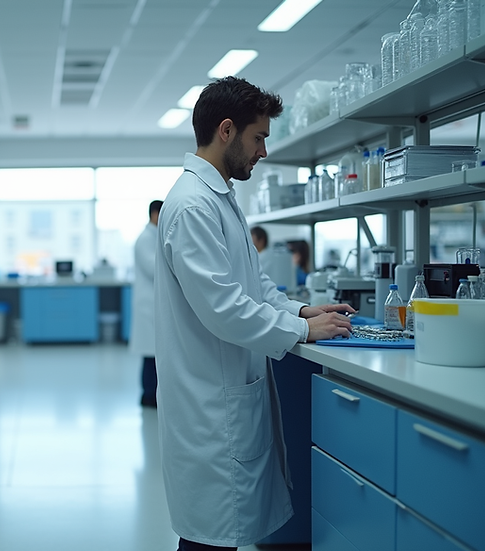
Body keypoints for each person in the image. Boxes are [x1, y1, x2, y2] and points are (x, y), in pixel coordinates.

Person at [153, 76, 355, 551]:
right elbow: (225, 309)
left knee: (217, 535)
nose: (263, 151)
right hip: (208, 407)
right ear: (227, 130)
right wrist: (301, 329)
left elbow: (252, 284)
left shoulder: (218, 197)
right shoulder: (193, 207)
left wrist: (301, 308)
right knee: (208, 539)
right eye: (258, 136)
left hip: (223, 395)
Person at [130, 200, 163, 408]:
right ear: (154, 214)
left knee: (155, 355)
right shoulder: (145, 239)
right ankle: (148, 395)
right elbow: (153, 268)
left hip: (153, 304)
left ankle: (152, 394)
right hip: (147, 305)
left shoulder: (155, 237)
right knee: (151, 356)